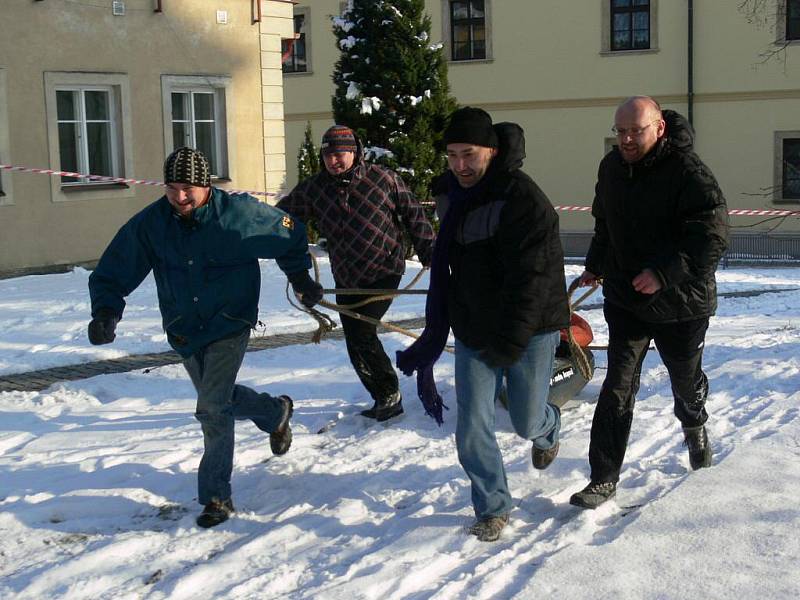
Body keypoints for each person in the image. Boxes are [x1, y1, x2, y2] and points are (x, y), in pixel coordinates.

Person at [87, 147, 323, 528]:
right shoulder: (152, 224)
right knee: (221, 399)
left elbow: (290, 233)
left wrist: (301, 279)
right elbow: (115, 268)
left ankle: (216, 495)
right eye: (173, 188)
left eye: (189, 189)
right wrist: (106, 311)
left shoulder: (238, 215)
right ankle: (275, 412)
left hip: (230, 321)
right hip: (184, 327)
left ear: (206, 185)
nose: (181, 197)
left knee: (212, 409)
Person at [399, 107, 569, 542]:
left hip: (529, 327)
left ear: (491, 151)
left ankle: (549, 427)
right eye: (452, 155)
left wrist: (511, 342)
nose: (460, 165)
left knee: (524, 420)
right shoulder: (450, 195)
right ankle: (493, 506)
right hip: (474, 326)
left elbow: (532, 279)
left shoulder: (522, 199)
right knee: (472, 427)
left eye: (469, 154)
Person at [569, 96, 729, 510]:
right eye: (619, 131)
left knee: (684, 381)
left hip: (682, 303)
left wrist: (663, 273)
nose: (625, 139)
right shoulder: (611, 168)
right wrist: (595, 264)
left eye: (634, 131)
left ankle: (694, 423)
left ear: (658, 128)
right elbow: (605, 222)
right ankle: (603, 478)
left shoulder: (689, 173)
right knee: (618, 386)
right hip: (626, 300)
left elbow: (712, 236)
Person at [278, 125, 435, 421]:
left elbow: (414, 214)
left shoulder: (384, 179)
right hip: (346, 274)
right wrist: (272, 231)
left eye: (340, 154)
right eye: (327, 155)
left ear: (355, 153)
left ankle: (389, 395)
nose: (333, 161)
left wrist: (430, 253)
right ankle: (382, 394)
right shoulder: (314, 189)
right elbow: (283, 219)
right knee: (354, 337)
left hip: (384, 269)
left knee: (362, 332)